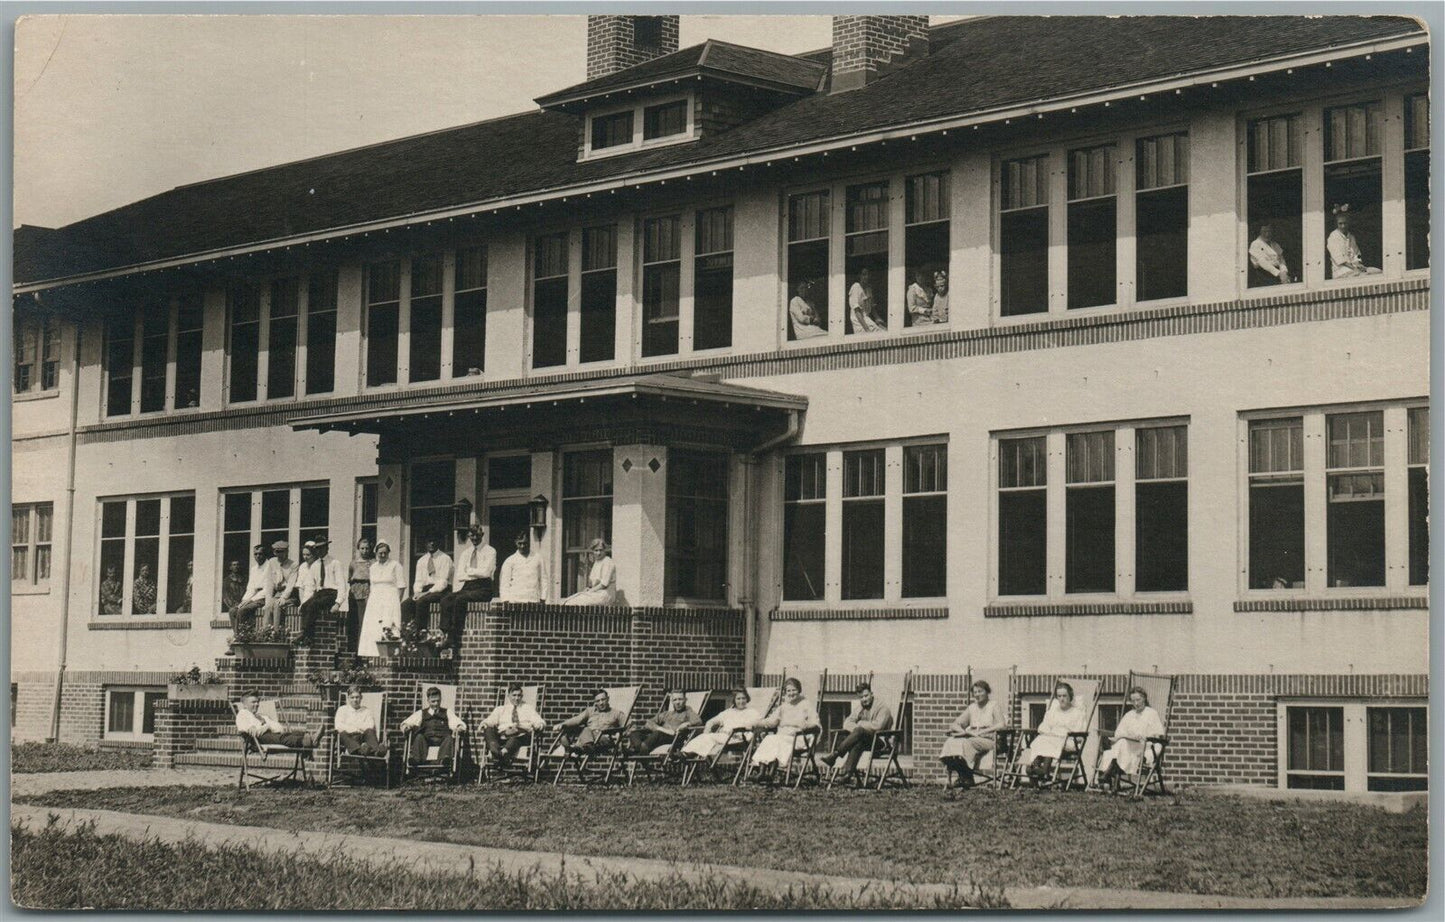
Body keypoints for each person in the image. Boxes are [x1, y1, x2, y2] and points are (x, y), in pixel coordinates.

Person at [438, 526, 496, 658]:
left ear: (482, 534)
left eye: (477, 535)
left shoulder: (490, 551)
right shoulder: (466, 553)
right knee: (446, 599)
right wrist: (475, 573)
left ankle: (454, 635)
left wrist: (469, 571)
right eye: (472, 536)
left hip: (484, 588)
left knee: (460, 600)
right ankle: (445, 631)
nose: (474, 538)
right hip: (468, 586)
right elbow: (460, 575)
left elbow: (486, 572)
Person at [819, 682, 894, 784]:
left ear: (872, 694)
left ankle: (835, 755)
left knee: (859, 731)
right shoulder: (861, 707)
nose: (864, 699)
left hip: (881, 742)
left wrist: (860, 724)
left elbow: (878, 726)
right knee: (858, 741)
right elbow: (847, 723)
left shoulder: (882, 708)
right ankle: (847, 775)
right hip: (867, 741)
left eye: (866, 695)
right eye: (861, 697)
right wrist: (858, 729)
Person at [939, 680, 1007, 789]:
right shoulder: (972, 707)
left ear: (987, 692)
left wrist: (981, 732)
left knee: (967, 743)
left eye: (980, 691)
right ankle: (965, 776)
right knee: (951, 742)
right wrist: (963, 732)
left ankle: (966, 776)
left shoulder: (993, 705)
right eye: (975, 692)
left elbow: (1002, 725)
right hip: (973, 737)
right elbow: (955, 724)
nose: (977, 695)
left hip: (991, 739)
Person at [1095, 686, 1166, 791]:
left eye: (1138, 700)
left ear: (1144, 698)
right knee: (1122, 742)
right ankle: (1113, 778)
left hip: (1145, 746)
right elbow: (1119, 732)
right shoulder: (1129, 715)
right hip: (1129, 746)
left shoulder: (1152, 713)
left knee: (1122, 745)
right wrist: (1129, 736)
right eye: (1133, 701)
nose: (1136, 703)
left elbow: (1158, 735)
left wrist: (1145, 737)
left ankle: (1109, 772)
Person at [748, 678, 820, 777]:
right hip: (784, 737)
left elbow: (815, 723)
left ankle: (770, 773)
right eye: (788, 691)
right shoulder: (783, 707)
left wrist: (804, 727)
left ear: (799, 690)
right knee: (770, 739)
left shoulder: (806, 705)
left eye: (794, 690)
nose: (791, 693)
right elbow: (771, 722)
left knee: (776, 740)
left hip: (800, 737)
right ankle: (762, 772)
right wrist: (756, 723)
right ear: (785, 692)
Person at [1021, 682, 1090, 786]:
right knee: (1041, 740)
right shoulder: (1052, 712)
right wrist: (1049, 733)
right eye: (1059, 696)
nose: (1062, 699)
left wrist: (1061, 736)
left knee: (1048, 741)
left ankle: (1041, 771)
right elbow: (1043, 726)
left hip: (1069, 741)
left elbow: (1080, 734)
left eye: (1064, 696)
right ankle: (1036, 768)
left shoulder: (1077, 713)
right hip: (1052, 738)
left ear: (1070, 696)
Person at [481, 683, 547, 768]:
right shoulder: (501, 709)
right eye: (514, 695)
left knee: (516, 736)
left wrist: (539, 725)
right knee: (488, 729)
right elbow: (490, 720)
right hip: (503, 736)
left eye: (519, 695)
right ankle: (496, 751)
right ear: (508, 696)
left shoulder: (528, 708)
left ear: (522, 696)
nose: (516, 698)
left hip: (521, 736)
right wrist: (485, 724)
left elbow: (539, 721)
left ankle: (502, 753)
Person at [358, 542, 406, 657]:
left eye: (385, 553)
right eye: (380, 553)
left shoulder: (395, 565)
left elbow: (401, 586)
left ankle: (389, 654)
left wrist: (397, 602)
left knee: (389, 624)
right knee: (373, 626)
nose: (383, 555)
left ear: (388, 553)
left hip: (390, 599)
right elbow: (372, 585)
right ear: (376, 553)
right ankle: (371, 655)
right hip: (375, 600)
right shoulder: (373, 567)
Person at [296, 535, 346, 645]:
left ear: (327, 548)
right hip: (320, 593)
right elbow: (310, 587)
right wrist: (303, 602)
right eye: (317, 548)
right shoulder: (315, 565)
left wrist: (338, 603)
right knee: (305, 606)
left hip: (332, 593)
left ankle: (305, 634)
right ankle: (308, 638)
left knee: (314, 605)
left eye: (322, 547)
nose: (319, 550)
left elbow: (342, 585)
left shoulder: (335, 563)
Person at [682, 689, 760, 760]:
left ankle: (687, 754)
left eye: (743, 698)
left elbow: (756, 725)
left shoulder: (752, 712)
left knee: (708, 738)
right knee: (705, 737)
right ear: (734, 700)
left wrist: (741, 732)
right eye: (738, 699)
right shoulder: (728, 712)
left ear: (747, 699)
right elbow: (711, 721)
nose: (741, 701)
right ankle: (686, 753)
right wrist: (707, 729)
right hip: (725, 737)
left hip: (739, 739)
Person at [400, 685, 467, 767]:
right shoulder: (422, 713)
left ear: (441, 699)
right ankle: (416, 759)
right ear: (428, 701)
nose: (436, 704)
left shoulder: (447, 712)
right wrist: (406, 727)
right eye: (433, 701)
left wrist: (459, 727)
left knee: (449, 738)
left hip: (442, 739)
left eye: (438, 701)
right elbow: (407, 722)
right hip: (427, 739)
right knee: (419, 736)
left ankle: (444, 760)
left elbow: (456, 722)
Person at [235, 690, 316, 748]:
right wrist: (250, 727)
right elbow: (242, 726)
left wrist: (268, 726)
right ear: (245, 705)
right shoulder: (243, 713)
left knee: (292, 733)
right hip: (257, 740)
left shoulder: (262, 716)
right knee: (282, 738)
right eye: (253, 702)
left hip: (269, 735)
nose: (257, 704)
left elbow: (280, 729)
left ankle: (310, 738)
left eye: (257, 701)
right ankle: (306, 741)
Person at [629, 690, 701, 755]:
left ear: (685, 700)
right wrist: (661, 729)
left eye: (680, 699)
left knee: (657, 733)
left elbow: (698, 721)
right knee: (635, 733)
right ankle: (640, 749)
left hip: (674, 739)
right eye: (675, 700)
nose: (678, 702)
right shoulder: (667, 714)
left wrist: (687, 724)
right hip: (658, 738)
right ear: (672, 701)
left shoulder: (688, 712)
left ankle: (637, 751)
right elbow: (649, 722)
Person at [402, 538, 452, 631]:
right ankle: (406, 633)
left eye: (434, 541)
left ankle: (421, 632)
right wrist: (417, 592)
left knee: (422, 601)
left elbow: (443, 583)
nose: (432, 543)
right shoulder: (422, 560)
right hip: (425, 590)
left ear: (439, 542)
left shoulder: (445, 559)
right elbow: (418, 580)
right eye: (429, 541)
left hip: (440, 590)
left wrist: (426, 593)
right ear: (425, 543)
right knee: (406, 604)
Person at [558, 689, 626, 755]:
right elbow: (577, 719)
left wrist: (621, 735)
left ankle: (579, 749)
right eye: (598, 701)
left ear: (608, 699)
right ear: (595, 702)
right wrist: (562, 724)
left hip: (604, 739)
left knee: (586, 730)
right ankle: (579, 748)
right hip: (590, 740)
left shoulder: (616, 713)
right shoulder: (590, 711)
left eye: (603, 699)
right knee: (568, 732)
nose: (601, 703)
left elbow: (629, 726)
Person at [1327, 206, 1381, 278]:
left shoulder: (1351, 236)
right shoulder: (1333, 237)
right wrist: (1354, 268)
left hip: (1354, 268)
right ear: (1336, 224)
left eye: (1345, 223)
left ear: (1348, 223)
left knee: (1377, 272)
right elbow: (1339, 259)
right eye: (1340, 223)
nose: (1343, 226)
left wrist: (1359, 263)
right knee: (1365, 276)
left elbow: (1357, 253)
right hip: (1341, 271)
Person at [333, 684, 388, 757]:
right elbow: (339, 726)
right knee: (342, 733)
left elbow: (370, 725)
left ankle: (377, 751)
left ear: (361, 698)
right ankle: (361, 750)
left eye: (357, 697)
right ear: (348, 698)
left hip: (363, 739)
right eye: (352, 697)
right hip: (349, 738)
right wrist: (356, 728)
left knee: (369, 731)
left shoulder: (366, 711)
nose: (355, 700)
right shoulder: (342, 710)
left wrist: (351, 726)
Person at [498, 532, 549, 604]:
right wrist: (505, 600)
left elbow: (543, 579)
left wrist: (543, 598)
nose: (522, 546)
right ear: (516, 543)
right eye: (520, 543)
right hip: (515, 602)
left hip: (533, 601)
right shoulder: (510, 560)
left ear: (529, 542)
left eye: (525, 543)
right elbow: (504, 583)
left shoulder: (538, 558)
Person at [562, 538, 616, 606]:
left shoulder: (608, 562)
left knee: (572, 603)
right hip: (596, 593)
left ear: (604, 550)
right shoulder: (597, 563)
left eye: (601, 550)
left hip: (604, 594)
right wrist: (588, 589)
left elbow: (604, 584)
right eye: (596, 550)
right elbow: (593, 583)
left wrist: (591, 591)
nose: (599, 553)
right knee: (568, 601)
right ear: (593, 551)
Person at [230, 544, 270, 633]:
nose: (258, 556)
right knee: (233, 610)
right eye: (255, 554)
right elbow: (251, 588)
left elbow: (267, 589)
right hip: (253, 597)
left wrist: (251, 600)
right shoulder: (254, 569)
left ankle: (242, 636)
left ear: (265, 554)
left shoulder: (269, 567)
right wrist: (244, 600)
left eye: (260, 554)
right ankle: (237, 635)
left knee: (242, 610)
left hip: (263, 598)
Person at [259, 540, 298, 630]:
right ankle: (266, 632)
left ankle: (276, 633)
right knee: (268, 606)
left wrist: (284, 597)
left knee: (277, 605)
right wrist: (268, 600)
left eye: (282, 552)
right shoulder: (272, 562)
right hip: (277, 593)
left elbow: (291, 584)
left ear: (287, 552)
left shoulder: (293, 565)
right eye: (277, 552)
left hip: (290, 595)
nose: (279, 555)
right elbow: (269, 582)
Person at [346, 538, 374, 654]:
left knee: (363, 622)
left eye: (367, 548)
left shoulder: (373, 562)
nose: (364, 551)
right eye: (362, 548)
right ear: (358, 549)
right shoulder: (353, 563)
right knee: (353, 622)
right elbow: (350, 578)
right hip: (353, 594)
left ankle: (362, 649)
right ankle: (352, 648)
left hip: (366, 594)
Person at [847, 267, 884, 333]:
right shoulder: (856, 287)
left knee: (884, 330)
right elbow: (857, 312)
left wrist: (877, 318)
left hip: (867, 319)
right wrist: (867, 330)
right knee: (879, 334)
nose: (866, 277)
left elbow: (872, 307)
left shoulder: (868, 289)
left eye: (868, 274)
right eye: (864, 274)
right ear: (859, 276)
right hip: (859, 322)